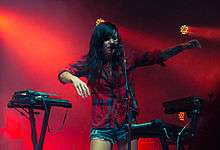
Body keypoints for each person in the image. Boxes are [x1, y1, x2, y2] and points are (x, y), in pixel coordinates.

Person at [58, 20, 201, 150]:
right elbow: (63, 74)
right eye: (107, 39)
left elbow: (158, 56)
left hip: (126, 124)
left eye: (114, 38)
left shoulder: (127, 59)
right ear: (99, 42)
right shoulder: (90, 63)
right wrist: (74, 78)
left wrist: (182, 47)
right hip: (102, 126)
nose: (112, 42)